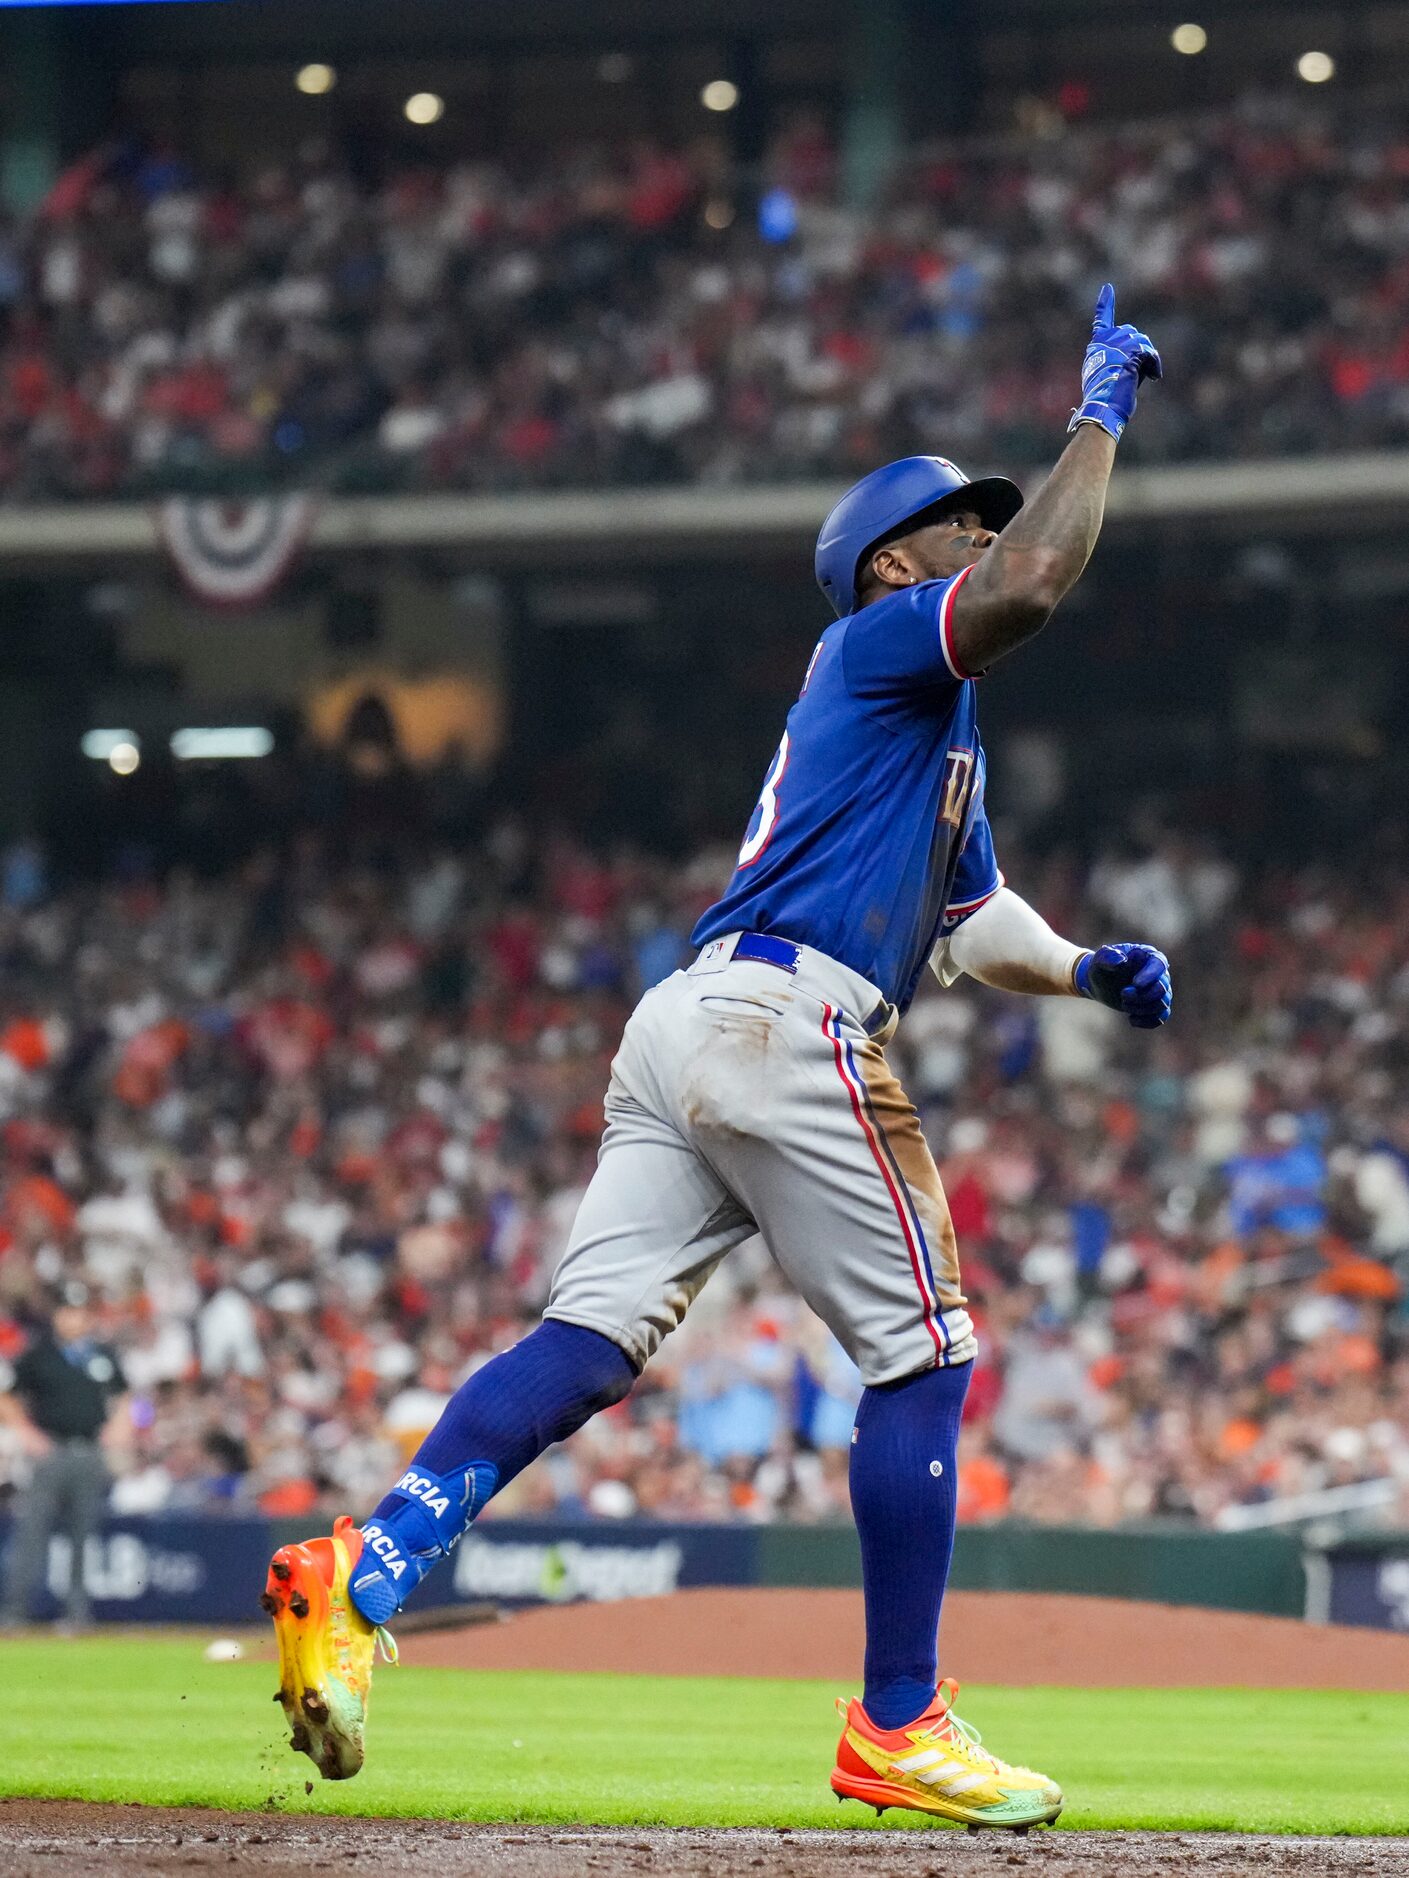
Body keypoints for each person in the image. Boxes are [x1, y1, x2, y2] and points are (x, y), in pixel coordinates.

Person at [261, 285, 1173, 1825]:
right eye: (958, 521)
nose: (979, 537)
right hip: (787, 1022)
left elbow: (969, 918)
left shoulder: (924, 727)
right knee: (928, 1356)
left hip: (692, 1018)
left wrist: (1078, 967)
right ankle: (900, 1721)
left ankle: (367, 1571)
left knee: (590, 1337)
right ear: (895, 563)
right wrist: (1099, 417)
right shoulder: (892, 639)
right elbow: (1025, 589)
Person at [0, 1285, 129, 1631]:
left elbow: (125, 1397)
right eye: (66, 1311)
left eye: (78, 1312)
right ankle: (15, 1611)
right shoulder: (39, 1355)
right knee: (32, 1532)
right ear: (57, 1316)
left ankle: (77, 1613)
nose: (72, 1318)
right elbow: (7, 1398)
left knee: (82, 1536)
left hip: (89, 1451)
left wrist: (119, 1428)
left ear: (88, 1317)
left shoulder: (102, 1356)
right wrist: (27, 1435)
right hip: (51, 1452)